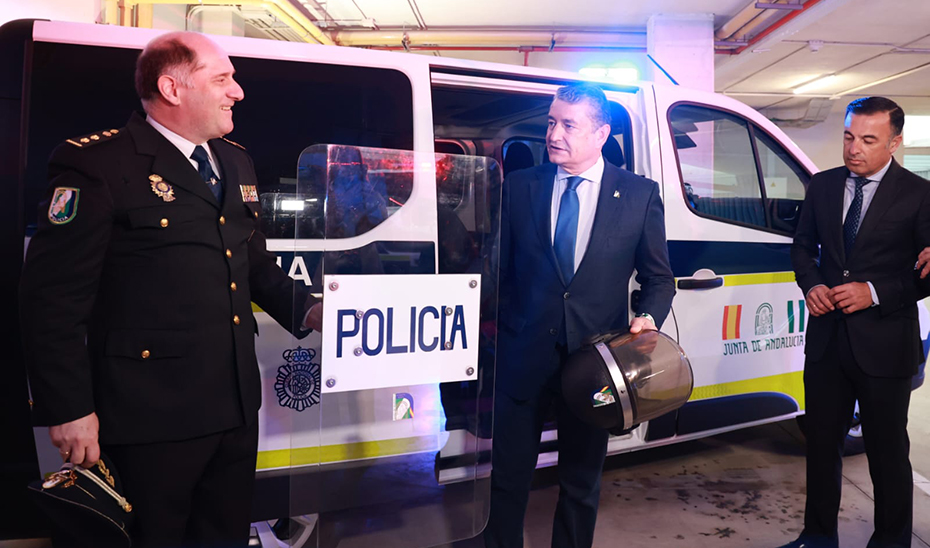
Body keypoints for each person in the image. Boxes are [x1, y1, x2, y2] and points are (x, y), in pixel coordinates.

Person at [19, 31, 322, 548]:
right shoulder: (100, 165)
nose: (238, 92)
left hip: (232, 405)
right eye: (223, 78)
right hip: (149, 414)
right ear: (173, 88)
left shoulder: (235, 161)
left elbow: (252, 263)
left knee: (222, 538)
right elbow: (52, 301)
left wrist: (313, 311)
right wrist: (70, 410)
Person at [485, 83, 675, 548]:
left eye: (569, 124)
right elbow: (498, 270)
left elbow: (659, 278)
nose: (554, 133)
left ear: (601, 133)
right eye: (551, 122)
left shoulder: (638, 195)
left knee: (580, 483)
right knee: (507, 481)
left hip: (596, 367)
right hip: (522, 357)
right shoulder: (522, 187)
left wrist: (648, 318)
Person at [787, 96, 930, 548]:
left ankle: (891, 542)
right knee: (821, 446)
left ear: (895, 142)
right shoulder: (823, 186)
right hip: (827, 342)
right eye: (849, 136)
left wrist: (874, 292)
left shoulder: (920, 195)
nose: (854, 149)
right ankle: (817, 536)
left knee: (888, 455)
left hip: (885, 345)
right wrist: (810, 284)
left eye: (869, 139)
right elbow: (802, 248)